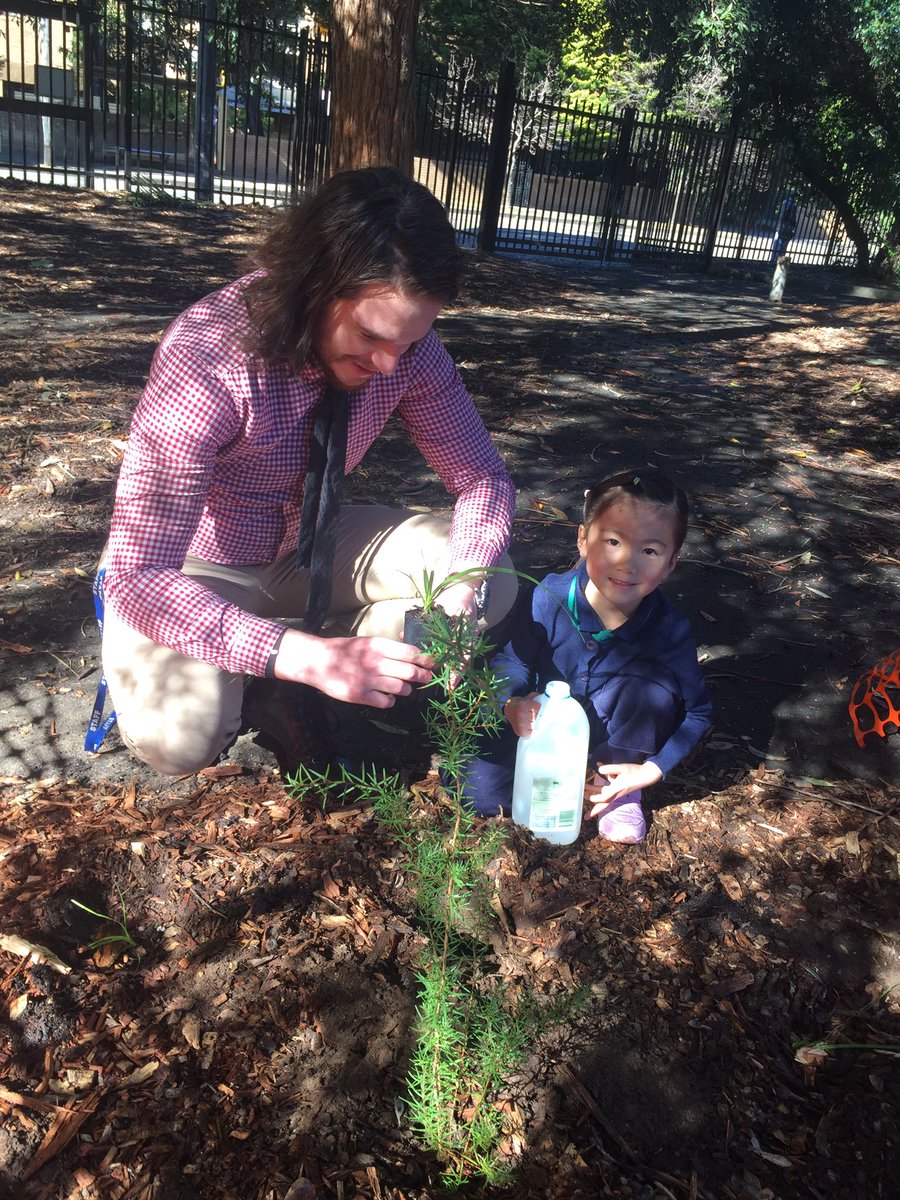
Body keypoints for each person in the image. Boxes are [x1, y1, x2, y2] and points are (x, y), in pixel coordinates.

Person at [98, 167, 517, 777]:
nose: (387, 365)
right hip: (199, 563)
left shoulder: (406, 350)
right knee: (181, 742)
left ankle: (318, 660)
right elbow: (139, 577)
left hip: (309, 540)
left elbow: (482, 478)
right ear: (315, 283)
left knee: (493, 577)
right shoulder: (210, 359)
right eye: (371, 337)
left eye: (408, 342)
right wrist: (303, 656)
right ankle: (279, 671)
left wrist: (460, 591)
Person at [461, 470, 712, 843]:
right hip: (543, 734)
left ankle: (614, 786)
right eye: (613, 541)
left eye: (649, 551)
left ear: (671, 563)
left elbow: (698, 713)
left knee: (652, 690)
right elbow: (512, 661)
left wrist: (652, 771)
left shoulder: (668, 630)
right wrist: (511, 703)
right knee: (478, 794)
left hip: (613, 736)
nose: (628, 562)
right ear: (582, 539)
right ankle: (561, 783)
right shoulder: (548, 598)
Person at [771, 190, 798, 262]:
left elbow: (782, 215)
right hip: (787, 227)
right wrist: (792, 225)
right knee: (782, 245)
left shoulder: (785, 202)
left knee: (777, 243)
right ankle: (778, 260)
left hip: (781, 226)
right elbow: (792, 217)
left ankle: (773, 259)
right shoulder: (793, 204)